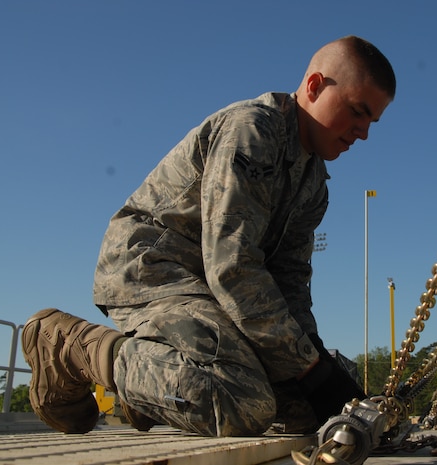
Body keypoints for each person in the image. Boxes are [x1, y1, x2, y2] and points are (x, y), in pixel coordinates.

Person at [21, 35, 395, 437]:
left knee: (304, 413)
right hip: (153, 269)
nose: (363, 133)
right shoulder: (253, 131)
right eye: (358, 112)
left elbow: (290, 281)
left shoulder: (313, 183)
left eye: (371, 121)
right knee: (242, 402)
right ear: (315, 86)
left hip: (209, 292)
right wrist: (309, 368)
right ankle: (70, 346)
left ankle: (155, 381)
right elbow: (232, 268)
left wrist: (314, 363)